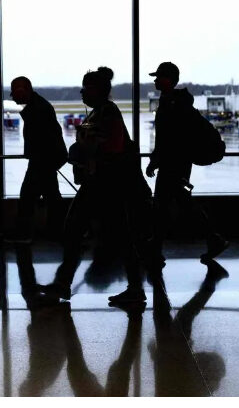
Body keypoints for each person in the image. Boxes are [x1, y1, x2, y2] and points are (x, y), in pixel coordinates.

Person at [39, 67, 154, 304]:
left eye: (86, 88)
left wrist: (82, 151)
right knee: (89, 230)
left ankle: (66, 283)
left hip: (107, 184)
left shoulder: (106, 114)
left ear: (98, 90)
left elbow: (110, 148)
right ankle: (67, 283)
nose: (82, 92)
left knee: (94, 232)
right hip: (101, 183)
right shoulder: (101, 112)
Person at [145, 62, 229, 271]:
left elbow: (168, 138)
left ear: (169, 79)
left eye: (158, 77)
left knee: (164, 205)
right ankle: (212, 238)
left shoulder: (173, 105)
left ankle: (156, 248)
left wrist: (156, 159)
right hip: (177, 163)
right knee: (179, 203)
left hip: (174, 163)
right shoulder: (173, 102)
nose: (155, 80)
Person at [8, 76, 68, 243]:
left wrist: (36, 159)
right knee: (52, 197)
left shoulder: (37, 110)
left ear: (23, 90)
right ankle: (61, 232)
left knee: (27, 198)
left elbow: (41, 140)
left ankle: (25, 234)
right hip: (47, 159)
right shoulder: (39, 106)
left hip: (42, 160)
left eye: (14, 92)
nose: (13, 97)